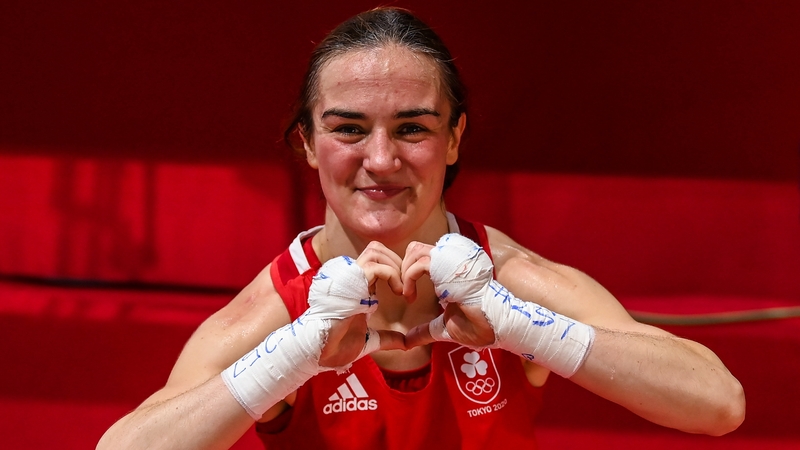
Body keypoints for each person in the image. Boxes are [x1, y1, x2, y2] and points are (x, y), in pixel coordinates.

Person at [97, 7, 744, 450]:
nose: (380, 160)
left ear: (454, 138)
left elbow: (717, 402)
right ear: (307, 144)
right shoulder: (277, 309)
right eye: (348, 128)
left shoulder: (512, 279)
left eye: (413, 128)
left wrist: (521, 325)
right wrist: (296, 353)